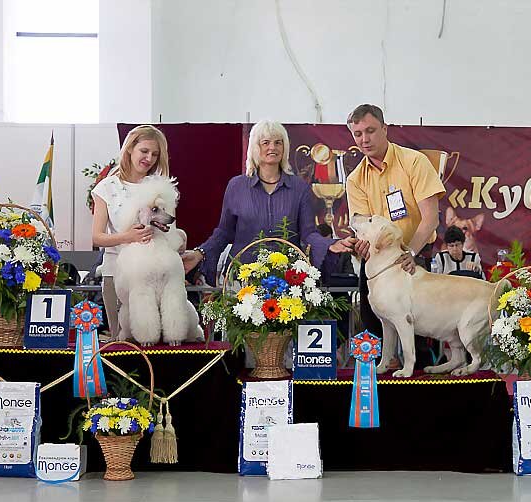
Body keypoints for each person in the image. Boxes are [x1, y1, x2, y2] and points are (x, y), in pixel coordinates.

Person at [181, 121, 356, 284]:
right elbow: (224, 233)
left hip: (287, 279)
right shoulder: (236, 186)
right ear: (255, 148)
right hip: (242, 278)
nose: (272, 147)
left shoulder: (300, 188)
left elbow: (309, 234)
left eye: (278, 142)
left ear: (285, 147)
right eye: (265, 142)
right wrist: (199, 253)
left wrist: (331, 244)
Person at [345, 104, 446, 370]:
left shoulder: (414, 162)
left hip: (415, 252)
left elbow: (430, 219)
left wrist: (410, 253)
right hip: (378, 264)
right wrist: (360, 247)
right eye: (357, 134)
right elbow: (363, 228)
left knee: (422, 333)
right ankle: (378, 380)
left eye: (370, 131)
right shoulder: (355, 179)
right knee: (372, 325)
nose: (364, 139)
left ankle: (425, 381)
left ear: (385, 129)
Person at [91, 125, 169, 340]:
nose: (149, 158)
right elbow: (97, 237)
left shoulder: (161, 187)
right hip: (117, 273)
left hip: (154, 275)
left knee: (152, 339)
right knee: (120, 340)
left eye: (155, 154)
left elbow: (170, 229)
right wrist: (127, 237)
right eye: (144, 151)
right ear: (129, 149)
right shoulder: (106, 188)